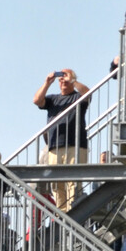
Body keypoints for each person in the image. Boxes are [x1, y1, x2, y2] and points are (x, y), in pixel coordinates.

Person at [33, 69, 91, 212]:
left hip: (75, 145)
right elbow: (37, 101)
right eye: (61, 79)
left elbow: (89, 93)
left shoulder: (78, 96)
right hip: (54, 146)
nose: (63, 81)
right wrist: (47, 82)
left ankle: (73, 212)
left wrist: (73, 80)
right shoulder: (53, 99)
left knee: (73, 181)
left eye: (65, 78)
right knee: (56, 183)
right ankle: (61, 214)